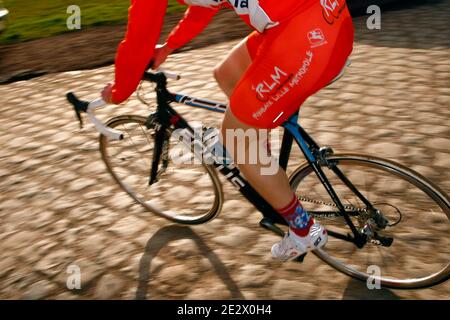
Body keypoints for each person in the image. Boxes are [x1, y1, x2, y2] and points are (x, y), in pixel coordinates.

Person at [101, 0, 354, 261]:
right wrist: (170, 46)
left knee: (237, 140)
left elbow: (138, 40)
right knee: (227, 73)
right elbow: (203, 5)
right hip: (324, 19)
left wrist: (119, 92)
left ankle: (303, 229)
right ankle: (264, 168)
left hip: (305, 39)